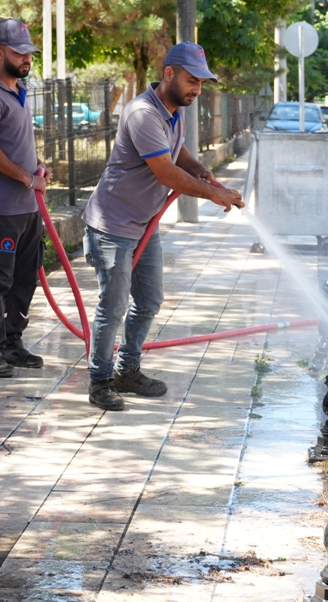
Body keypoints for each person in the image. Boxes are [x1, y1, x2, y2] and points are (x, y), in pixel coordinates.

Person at [83, 42, 244, 411]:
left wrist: (199, 169)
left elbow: (175, 152)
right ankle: (100, 381)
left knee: (150, 300)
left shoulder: (173, 112)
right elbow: (165, 173)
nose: (197, 89)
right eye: (191, 80)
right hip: (113, 224)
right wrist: (214, 194)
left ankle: (127, 371)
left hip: (143, 222)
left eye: (201, 83)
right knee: (113, 306)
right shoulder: (142, 113)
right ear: (168, 74)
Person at [0, 18, 51, 378]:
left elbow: (14, 143)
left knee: (25, 277)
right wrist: (27, 178)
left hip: (27, 207)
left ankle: (12, 342)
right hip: (1, 207)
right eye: (19, 53)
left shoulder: (19, 90)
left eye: (29, 52)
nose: (26, 58)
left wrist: (37, 166)